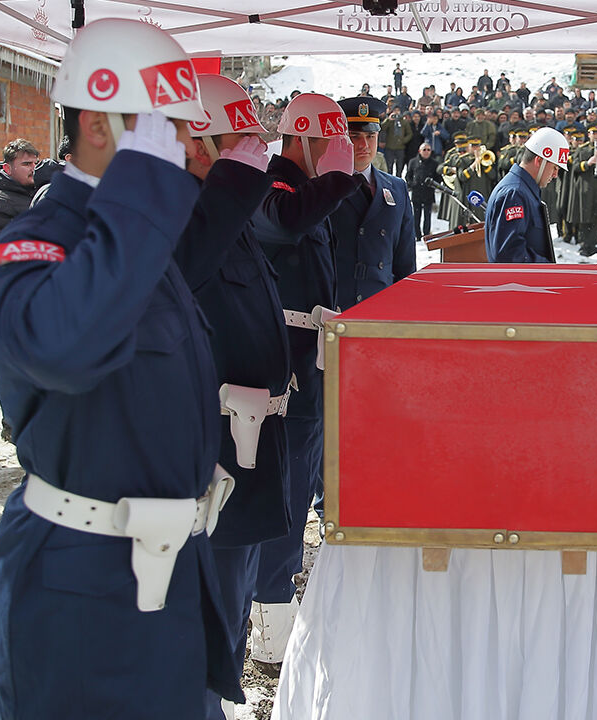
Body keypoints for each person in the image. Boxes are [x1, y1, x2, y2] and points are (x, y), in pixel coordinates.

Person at [0, 18, 243, 718]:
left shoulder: (142, 237)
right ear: (98, 123)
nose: (188, 148)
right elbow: (65, 350)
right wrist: (143, 200)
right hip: (84, 593)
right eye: (165, 128)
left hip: (171, 579)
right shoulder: (34, 242)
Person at [173, 73, 292, 720]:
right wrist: (229, 189)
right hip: (213, 457)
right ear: (197, 144)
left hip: (250, 451)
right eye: (239, 137)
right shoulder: (185, 212)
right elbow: (182, 272)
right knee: (205, 622)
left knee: (233, 608)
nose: (254, 148)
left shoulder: (230, 212)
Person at [249, 92, 359, 665]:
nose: (339, 154)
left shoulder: (308, 192)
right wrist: (338, 182)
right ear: (302, 139)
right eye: (329, 143)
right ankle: (270, 629)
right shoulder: (275, 187)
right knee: (285, 500)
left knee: (301, 487)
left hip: (309, 373)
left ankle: (276, 610)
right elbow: (284, 222)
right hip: (285, 379)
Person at [332, 95, 417, 309]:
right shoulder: (324, 187)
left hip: (381, 304)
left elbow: (405, 259)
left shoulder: (397, 188)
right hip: (336, 307)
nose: (364, 145)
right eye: (354, 136)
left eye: (370, 136)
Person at [485, 126, 568, 262]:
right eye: (554, 167)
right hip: (520, 282)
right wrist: (547, 270)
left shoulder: (523, 190)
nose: (555, 175)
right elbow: (509, 255)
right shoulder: (514, 194)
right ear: (539, 161)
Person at [565, 123, 597, 257]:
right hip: (585, 188)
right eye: (593, 133)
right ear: (589, 135)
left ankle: (593, 244)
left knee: (596, 217)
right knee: (584, 216)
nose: (596, 136)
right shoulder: (582, 150)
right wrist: (587, 163)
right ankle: (583, 244)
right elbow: (574, 167)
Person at [0, 138, 38, 247]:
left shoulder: (39, 195)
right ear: (7, 169)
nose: (34, 168)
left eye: (36, 163)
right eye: (27, 164)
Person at [406, 143, 440, 237]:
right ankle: (417, 234)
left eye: (428, 150)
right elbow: (408, 175)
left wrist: (433, 185)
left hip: (428, 193)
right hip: (417, 193)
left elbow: (438, 178)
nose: (426, 152)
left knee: (427, 216)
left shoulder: (434, 163)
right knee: (416, 216)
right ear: (419, 151)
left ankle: (426, 234)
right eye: (424, 150)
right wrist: (412, 184)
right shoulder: (413, 162)